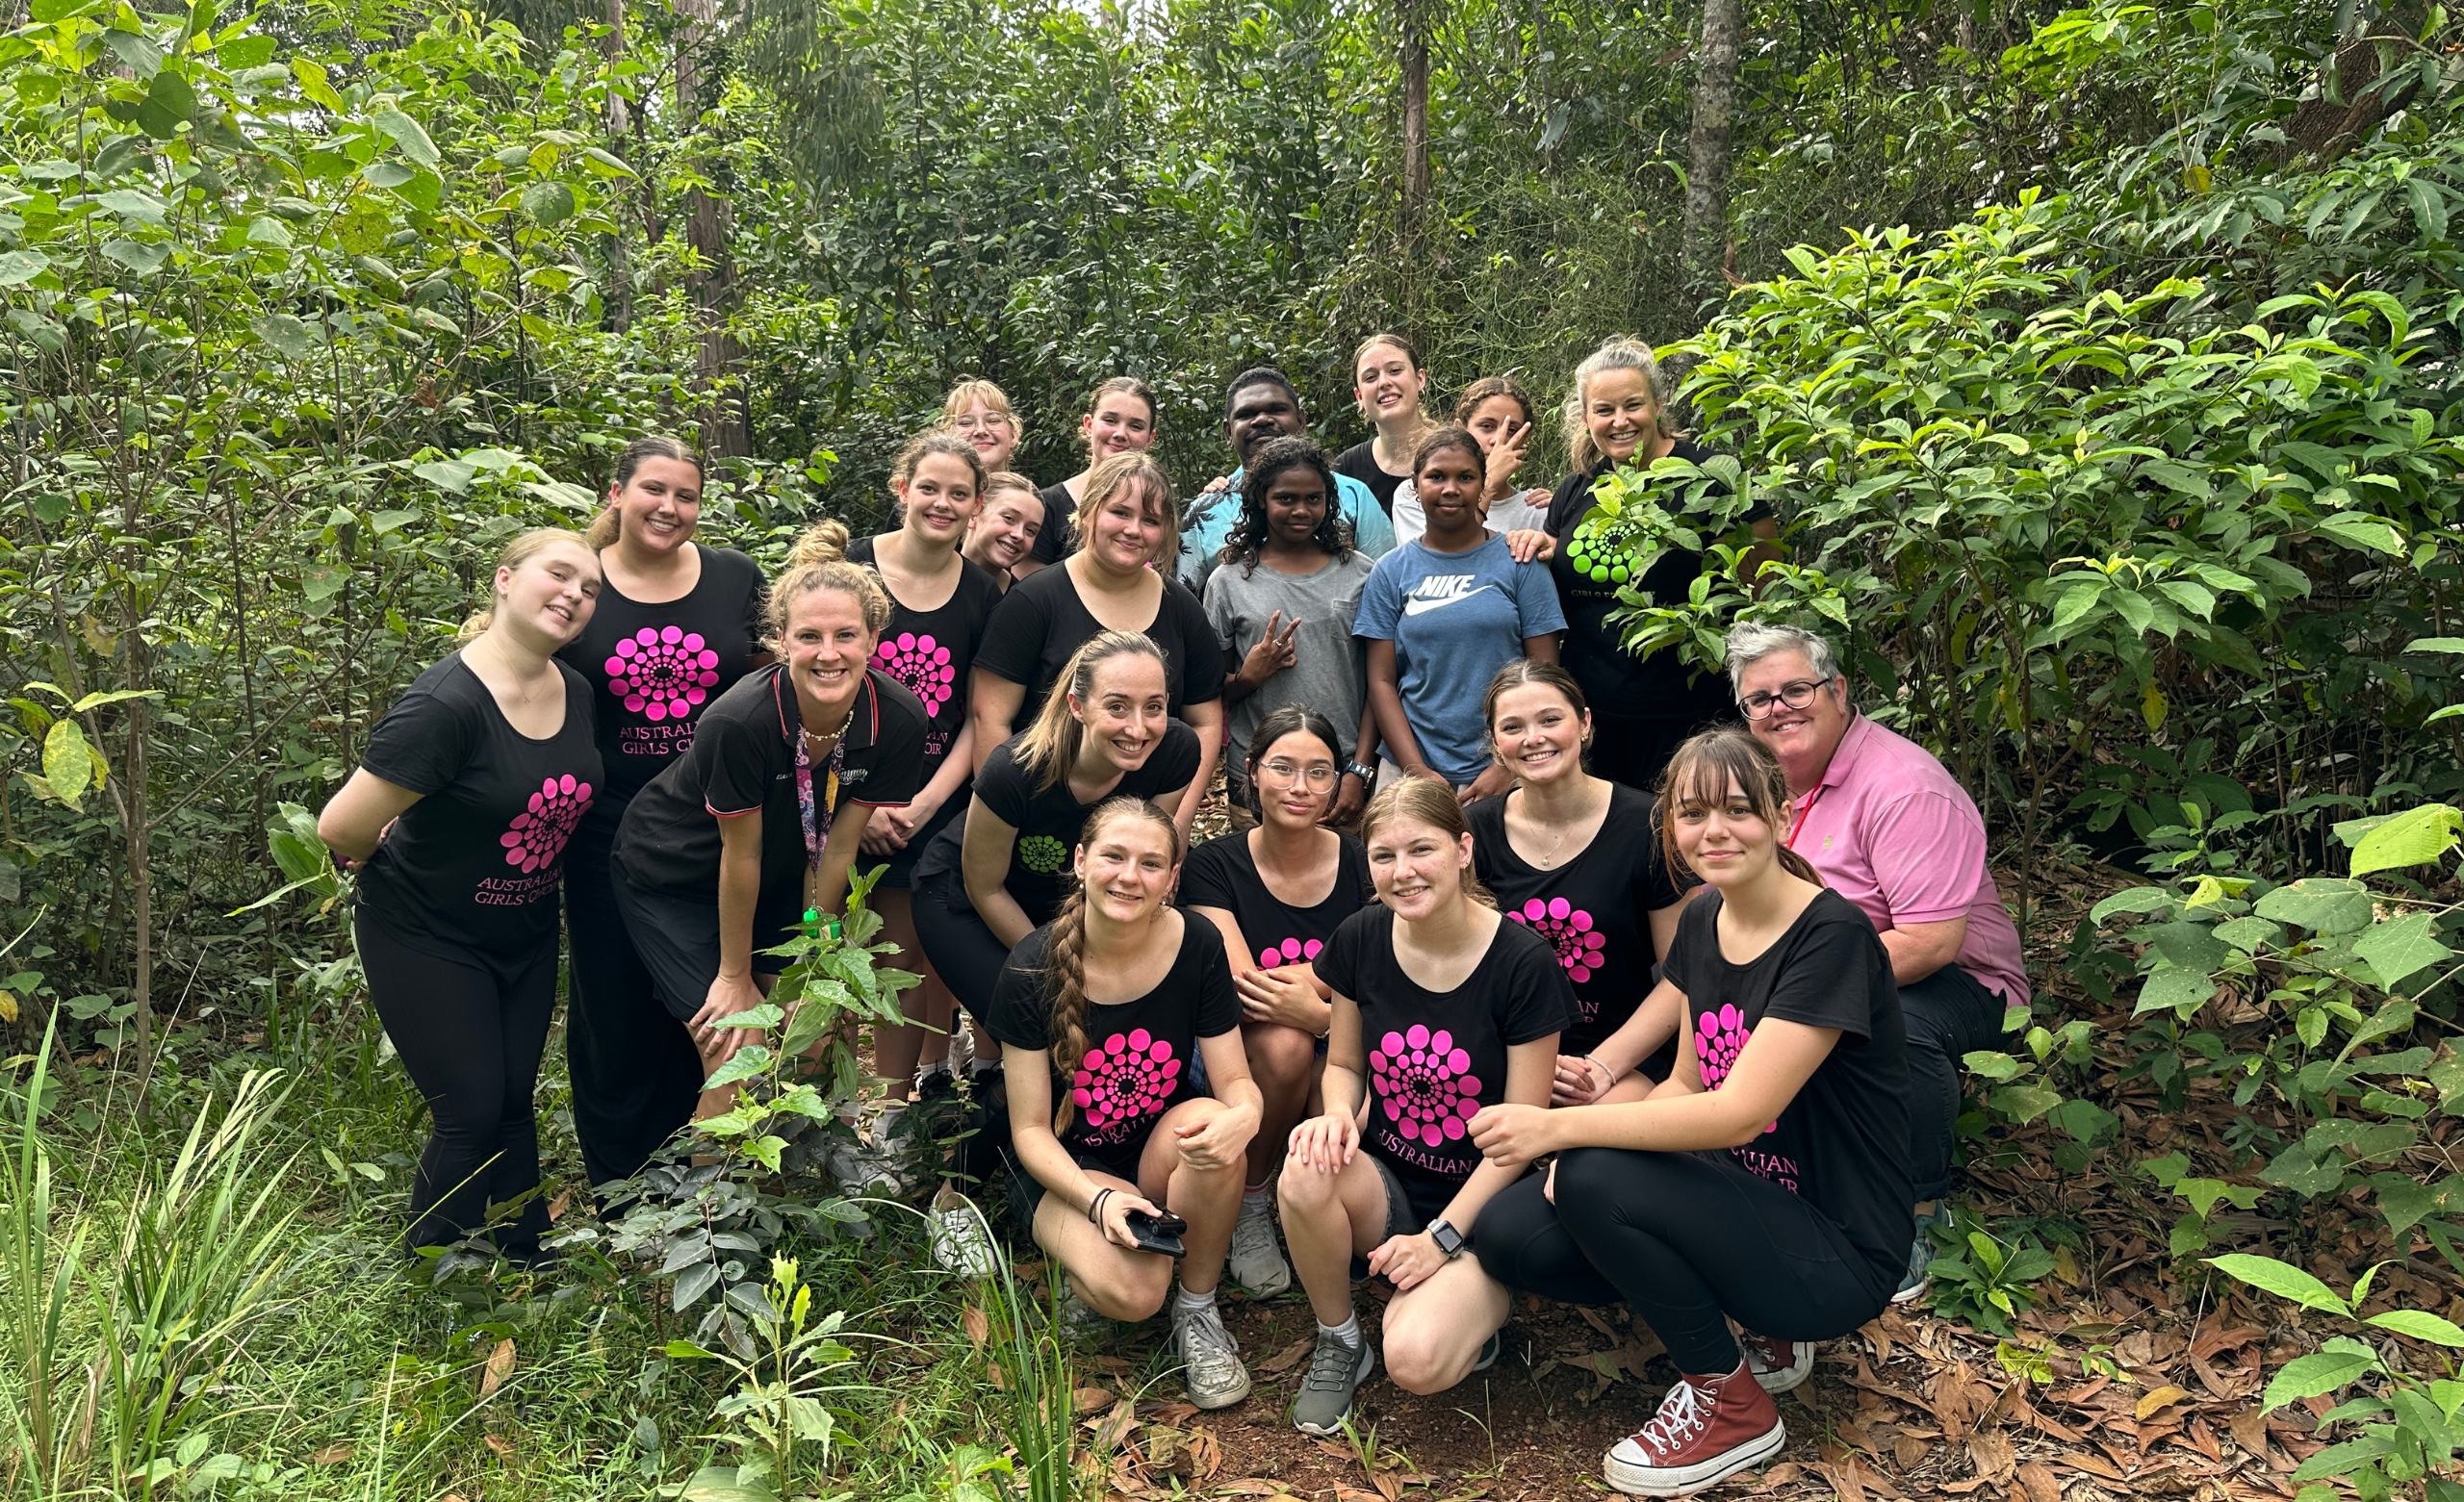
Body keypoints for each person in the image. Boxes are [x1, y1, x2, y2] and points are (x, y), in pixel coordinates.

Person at [1465, 727, 1911, 1497]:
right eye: (1694, 813)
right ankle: (1743, 1328)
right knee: (1514, 1236)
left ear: (1782, 814)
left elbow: (1739, 1112)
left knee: (1593, 1174)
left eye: (1738, 809)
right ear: (1670, 825)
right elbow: (1683, 1082)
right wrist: (1580, 1158)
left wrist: (1565, 1130)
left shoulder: (1828, 934)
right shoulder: (1707, 918)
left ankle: (1728, 1399)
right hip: (1743, 1204)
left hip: (1838, 1248)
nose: (1714, 831)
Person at [317, 529, 604, 1260]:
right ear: (505, 580)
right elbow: (342, 825)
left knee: (513, 1101)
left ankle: (523, 1257)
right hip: (426, 933)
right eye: (559, 574)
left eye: (590, 588)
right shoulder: (446, 704)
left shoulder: (575, 690)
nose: (574, 594)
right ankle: (436, 1275)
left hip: (527, 928)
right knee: (469, 1110)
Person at [1727, 622, 2029, 1303]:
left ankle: (1918, 1213)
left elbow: (1929, 941)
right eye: (1760, 699)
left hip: (1958, 984)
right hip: (1818, 968)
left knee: (1895, 1026)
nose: (1780, 708)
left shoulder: (1902, 786)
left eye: (1795, 689)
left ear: (1836, 690)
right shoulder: (1763, 782)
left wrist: (1789, 989)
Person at [1276, 778, 1571, 1437]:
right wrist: (1335, 1113)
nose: (1402, 872)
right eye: (1383, 856)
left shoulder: (1522, 962)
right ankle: (1339, 1338)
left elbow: (1522, 1133)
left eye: (1422, 849)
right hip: (1390, 1180)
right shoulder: (1361, 936)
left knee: (1416, 1359)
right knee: (1304, 1165)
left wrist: (1443, 1238)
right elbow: (1348, 1064)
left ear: (1464, 848)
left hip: (1484, 1202)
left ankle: (1472, 1302)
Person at [610, 535, 927, 1125]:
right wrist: (734, 976)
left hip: (783, 870)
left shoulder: (900, 719)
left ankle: (777, 1203)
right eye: (809, 636)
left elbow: (838, 844)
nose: (827, 653)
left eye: (845, 635)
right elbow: (741, 854)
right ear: (782, 642)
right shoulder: (739, 720)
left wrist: (812, 941)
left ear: (873, 640)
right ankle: (705, 1211)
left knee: (804, 1036)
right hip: (676, 874)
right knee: (742, 1050)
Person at [988, 797, 1263, 1410]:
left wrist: (1246, 1116)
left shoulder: (1197, 945)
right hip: (1065, 1171)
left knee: (1217, 1124)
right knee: (1136, 1296)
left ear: (1172, 879)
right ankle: (1079, 1266)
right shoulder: (1030, 967)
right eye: (1113, 856)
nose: (1128, 876)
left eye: (1149, 863)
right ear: (1082, 862)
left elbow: (1235, 1083)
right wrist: (1099, 1200)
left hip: (1155, 1148)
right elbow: (1031, 1132)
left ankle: (1197, 1309)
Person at [557, 438, 770, 1188]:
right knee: (614, 1006)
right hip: (602, 823)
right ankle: (622, 1189)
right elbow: (508, 676)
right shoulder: (580, 583)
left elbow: (770, 689)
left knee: (709, 1000)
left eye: (686, 496)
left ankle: (705, 1184)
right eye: (654, 489)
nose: (669, 508)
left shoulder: (735, 579)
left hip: (714, 823)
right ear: (616, 494)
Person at [832, 434, 1005, 1114]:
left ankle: (906, 1102)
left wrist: (923, 805)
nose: (942, 502)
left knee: (918, 951)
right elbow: (816, 689)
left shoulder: (982, 595)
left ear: (976, 505)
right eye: (928, 487)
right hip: (845, 798)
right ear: (901, 487)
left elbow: (979, 714)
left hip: (937, 798)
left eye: (958, 493)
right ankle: (855, 1104)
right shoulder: (852, 572)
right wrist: (862, 803)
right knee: (848, 949)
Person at [1180, 706, 1378, 1297]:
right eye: (1283, 768)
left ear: (1339, 780)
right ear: (1251, 771)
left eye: (1319, 772)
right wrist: (1331, 990)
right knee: (1289, 1047)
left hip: (1337, 1036)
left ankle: (1333, 1216)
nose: (1300, 788)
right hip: (1237, 1055)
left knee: (1330, 1085)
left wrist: (1320, 1013)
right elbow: (1245, 989)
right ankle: (1251, 1199)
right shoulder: (1213, 865)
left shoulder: (1365, 862)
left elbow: (1380, 976)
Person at [1541, 337, 1781, 793]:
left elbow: (1763, 594)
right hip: (1596, 726)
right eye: (1604, 410)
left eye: (1632, 405)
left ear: (1657, 403)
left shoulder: (1712, 477)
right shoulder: (1576, 489)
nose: (1619, 421)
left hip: (1693, 722)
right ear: (1586, 416)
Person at [1467, 661, 1688, 1104]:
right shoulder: (1474, 833)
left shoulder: (1650, 826)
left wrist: (1604, 1066)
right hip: (1502, 1044)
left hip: (1616, 1050)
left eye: (1551, 719)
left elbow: (1682, 974)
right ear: (1495, 744)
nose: (1534, 738)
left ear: (1584, 723)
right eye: (1513, 727)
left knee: (1590, 1156)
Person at [971, 452, 1222, 834]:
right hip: (1035, 817)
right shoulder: (1032, 602)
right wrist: (1003, 820)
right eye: (1120, 512)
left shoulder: (1182, 609)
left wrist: (1174, 825)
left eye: (1151, 520)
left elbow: (1204, 721)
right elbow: (991, 717)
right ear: (1087, 512)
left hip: (1139, 828)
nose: (1134, 530)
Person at [1356, 427, 1564, 801]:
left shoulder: (1519, 561)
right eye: (1436, 476)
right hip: (1410, 764)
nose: (1450, 488)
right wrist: (1416, 770)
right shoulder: (1390, 571)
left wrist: (1505, 766)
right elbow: (1382, 682)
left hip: (1514, 762)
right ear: (1415, 486)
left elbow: (1546, 676)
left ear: (1482, 484)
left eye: (1465, 477)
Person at [1202, 437, 1378, 826]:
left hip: (1338, 771)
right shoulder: (1228, 582)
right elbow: (1209, 690)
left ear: (1328, 501)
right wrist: (1249, 677)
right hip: (1257, 775)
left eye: (1313, 498)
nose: (1301, 510)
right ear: (1262, 499)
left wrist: (1359, 770)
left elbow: (1380, 683)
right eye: (1286, 498)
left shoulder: (1361, 574)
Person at [1178, 368, 1396, 594]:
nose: (1262, 420)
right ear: (1228, 432)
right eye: (1246, 414)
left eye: (1277, 409)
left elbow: (1386, 586)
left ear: (1300, 420)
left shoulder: (1353, 496)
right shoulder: (1203, 512)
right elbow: (1187, 604)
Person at [1392, 377, 1553, 547]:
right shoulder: (1417, 495)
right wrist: (1489, 483)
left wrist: (1561, 511)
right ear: (1460, 429)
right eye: (1486, 426)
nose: (1498, 440)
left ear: (1523, 440)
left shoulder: (1535, 510)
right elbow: (1435, 559)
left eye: (1512, 430)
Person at [1027, 377, 1158, 572]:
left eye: (1136, 426)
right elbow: (1030, 591)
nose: (1121, 433)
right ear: (1089, 425)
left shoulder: (1159, 510)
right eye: (1110, 420)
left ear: (1150, 439)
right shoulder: (1047, 506)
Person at [1333, 334, 1437, 518]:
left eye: (1395, 370)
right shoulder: (1345, 470)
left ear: (1420, 379)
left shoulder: (1457, 453)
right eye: (1371, 377)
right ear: (1359, 397)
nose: (1384, 382)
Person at [964, 471, 1046, 591]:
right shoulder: (929, 573)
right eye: (1009, 518)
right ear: (973, 513)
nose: (1019, 535)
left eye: (1030, 530)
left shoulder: (1021, 602)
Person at [941, 377, 1022, 478]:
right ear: (947, 436)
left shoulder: (1034, 494)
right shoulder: (930, 493)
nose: (981, 430)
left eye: (993, 421)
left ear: (1014, 435)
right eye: (966, 423)